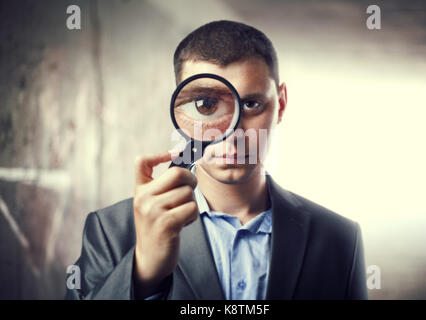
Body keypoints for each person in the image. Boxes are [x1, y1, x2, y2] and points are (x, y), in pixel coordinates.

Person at [65, 20, 368, 300]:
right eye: (206, 105)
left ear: (281, 104)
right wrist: (143, 273)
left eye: (250, 104)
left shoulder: (339, 239)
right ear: (180, 109)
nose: (231, 132)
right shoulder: (111, 230)